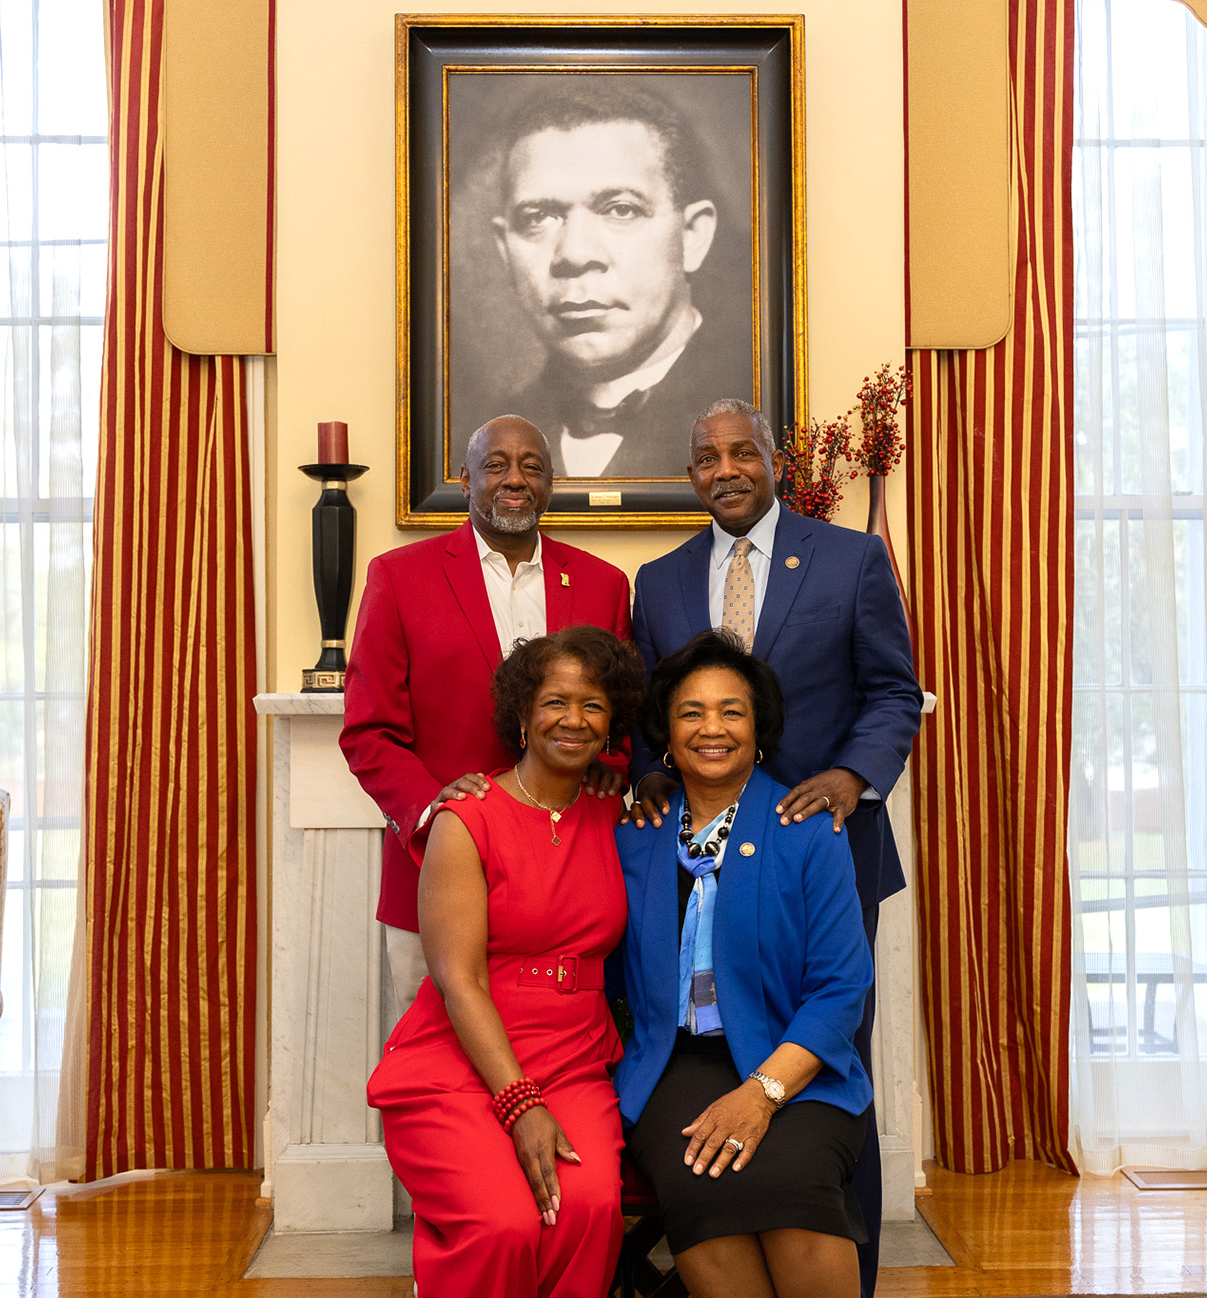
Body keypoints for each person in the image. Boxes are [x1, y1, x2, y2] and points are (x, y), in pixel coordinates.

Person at [627, 396, 922, 1296]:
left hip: (819, 848)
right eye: (707, 457)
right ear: (691, 476)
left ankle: (848, 1264)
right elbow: (655, 716)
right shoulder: (661, 579)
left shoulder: (852, 557)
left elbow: (893, 692)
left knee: (831, 1050)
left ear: (773, 460)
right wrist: (649, 781)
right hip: (695, 855)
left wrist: (849, 778)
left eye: (742, 452)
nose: (726, 469)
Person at [368, 626, 648, 1297]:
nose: (573, 719)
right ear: (521, 715)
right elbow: (457, 981)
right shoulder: (468, 819)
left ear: (611, 722)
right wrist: (520, 1103)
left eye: (592, 705)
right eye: (555, 701)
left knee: (589, 1210)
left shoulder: (616, 812)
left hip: (575, 1058)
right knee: (503, 1225)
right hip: (460, 1058)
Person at [342, 415, 632, 1020]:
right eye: (496, 465)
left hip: (568, 881)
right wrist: (432, 808)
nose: (515, 478)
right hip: (437, 870)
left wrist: (612, 765)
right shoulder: (399, 578)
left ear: (551, 482)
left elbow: (620, 717)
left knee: (561, 1066)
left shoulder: (604, 585)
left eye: (531, 465)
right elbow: (369, 731)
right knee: (435, 1073)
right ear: (466, 479)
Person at [615, 629, 873, 1298]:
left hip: (797, 1064)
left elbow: (843, 986)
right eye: (691, 712)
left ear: (758, 730)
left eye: (732, 710)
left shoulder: (810, 829)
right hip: (673, 1064)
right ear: (666, 736)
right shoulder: (633, 838)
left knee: (793, 1188)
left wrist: (762, 1093)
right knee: (704, 1176)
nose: (712, 728)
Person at [486, 82, 753, 479]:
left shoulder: (759, 409)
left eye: (621, 209)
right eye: (537, 218)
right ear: (505, 251)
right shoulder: (480, 435)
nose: (574, 254)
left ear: (692, 236)